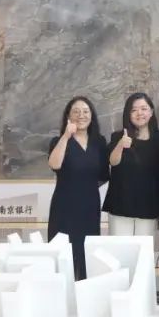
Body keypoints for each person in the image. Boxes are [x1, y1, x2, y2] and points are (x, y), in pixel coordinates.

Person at [47, 96, 108, 280]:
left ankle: (84, 292)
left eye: (86, 111)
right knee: (63, 253)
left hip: (90, 206)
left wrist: (85, 187)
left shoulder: (99, 142)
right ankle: (62, 292)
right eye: (76, 111)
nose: (81, 115)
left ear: (92, 116)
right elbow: (54, 164)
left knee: (86, 254)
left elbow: (104, 175)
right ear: (68, 116)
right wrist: (66, 136)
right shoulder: (58, 141)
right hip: (64, 205)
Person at [102, 93, 159, 237]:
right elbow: (113, 162)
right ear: (128, 114)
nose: (139, 113)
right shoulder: (118, 136)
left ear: (151, 112)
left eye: (143, 109)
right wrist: (121, 145)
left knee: (144, 249)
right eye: (134, 110)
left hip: (149, 205)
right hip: (121, 204)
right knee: (119, 249)